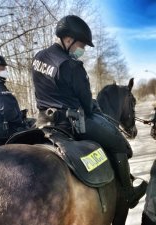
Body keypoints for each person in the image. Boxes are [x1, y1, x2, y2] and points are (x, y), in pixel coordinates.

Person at [31, 15, 147, 208]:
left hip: (43, 121)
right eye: (82, 45)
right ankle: (128, 193)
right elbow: (86, 103)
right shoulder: (71, 65)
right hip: (69, 123)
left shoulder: (38, 58)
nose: (82, 50)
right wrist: (91, 106)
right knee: (119, 144)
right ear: (68, 39)